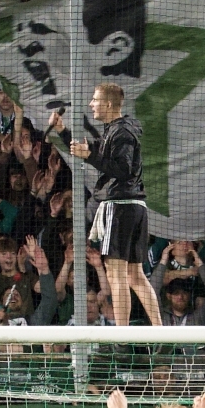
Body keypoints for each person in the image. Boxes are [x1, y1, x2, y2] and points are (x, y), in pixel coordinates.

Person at [58, 82, 162, 328]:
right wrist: (63, 132)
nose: (91, 104)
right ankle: (160, 331)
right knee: (134, 275)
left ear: (107, 103)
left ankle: (121, 335)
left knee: (116, 273)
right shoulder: (119, 129)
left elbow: (122, 169)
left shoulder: (121, 132)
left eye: (95, 100)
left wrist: (90, 156)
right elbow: (98, 157)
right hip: (135, 207)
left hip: (121, 206)